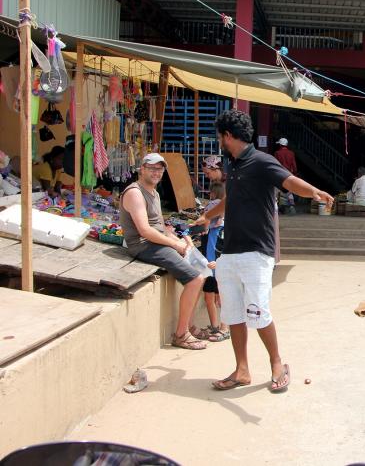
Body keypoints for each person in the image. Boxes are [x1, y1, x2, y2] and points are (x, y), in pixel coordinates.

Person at [195, 111, 333, 393]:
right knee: (233, 315)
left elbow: (289, 181)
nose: (220, 142)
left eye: (220, 137)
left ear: (228, 136)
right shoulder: (233, 165)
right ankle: (242, 370)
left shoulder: (262, 161)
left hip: (257, 252)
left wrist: (314, 191)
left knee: (258, 312)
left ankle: (277, 363)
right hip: (230, 252)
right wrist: (208, 215)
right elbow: (231, 199)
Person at [119, 153, 208, 350]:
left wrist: (181, 241)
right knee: (196, 279)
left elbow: (161, 227)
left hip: (156, 243)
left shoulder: (154, 193)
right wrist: (175, 245)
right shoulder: (135, 193)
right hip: (144, 245)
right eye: (152, 168)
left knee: (200, 270)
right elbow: (145, 231)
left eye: (160, 169)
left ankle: (189, 325)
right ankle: (181, 335)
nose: (156, 172)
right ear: (142, 169)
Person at [192, 181, 230, 342]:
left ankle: (224, 328)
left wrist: (199, 225)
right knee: (211, 296)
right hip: (211, 263)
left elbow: (205, 220)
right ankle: (216, 327)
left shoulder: (215, 205)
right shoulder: (221, 227)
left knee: (217, 296)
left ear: (213, 193)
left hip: (214, 263)